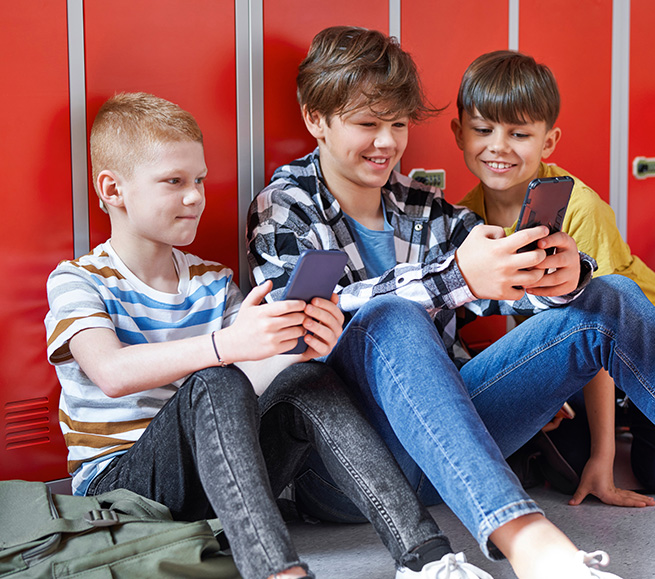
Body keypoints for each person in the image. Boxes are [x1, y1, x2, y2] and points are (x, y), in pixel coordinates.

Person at [248, 26, 655, 579]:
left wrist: (559, 275)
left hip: (445, 446)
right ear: (315, 118)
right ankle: (533, 545)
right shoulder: (285, 205)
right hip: (345, 468)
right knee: (389, 316)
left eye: (397, 125)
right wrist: (458, 279)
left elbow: (508, 280)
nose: (387, 143)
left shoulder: (421, 206)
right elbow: (295, 330)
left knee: (606, 294)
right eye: (367, 124)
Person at [45, 92, 492, 579]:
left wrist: (309, 345)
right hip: (120, 490)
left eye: (198, 180)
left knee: (306, 379)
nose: (195, 196)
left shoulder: (213, 281)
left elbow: (255, 374)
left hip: (217, 483)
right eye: (174, 182)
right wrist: (225, 347)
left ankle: (426, 559)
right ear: (113, 189)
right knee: (214, 381)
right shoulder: (79, 278)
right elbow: (110, 373)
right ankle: (277, 571)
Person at [451, 49, 655, 498]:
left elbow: (603, 325)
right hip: (581, 347)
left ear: (548, 142)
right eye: (483, 129)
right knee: (566, 469)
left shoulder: (578, 207)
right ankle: (623, 417)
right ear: (459, 133)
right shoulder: (464, 218)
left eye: (520, 133)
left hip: (651, 334)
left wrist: (603, 461)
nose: (498, 147)